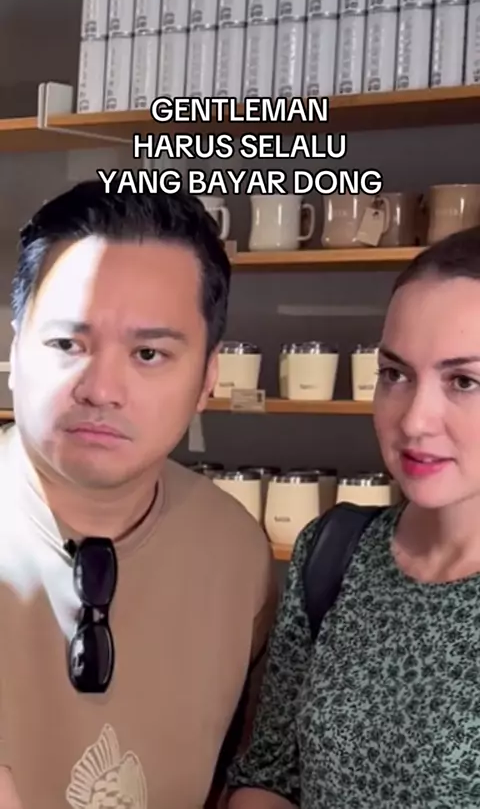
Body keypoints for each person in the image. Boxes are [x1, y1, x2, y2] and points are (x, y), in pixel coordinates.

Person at [0, 180, 277, 809]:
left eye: (149, 353)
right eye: (67, 345)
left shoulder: (234, 548)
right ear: (14, 349)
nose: (101, 389)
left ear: (207, 377)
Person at [226, 225, 480, 808]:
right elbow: (272, 773)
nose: (414, 420)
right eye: (395, 374)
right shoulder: (335, 552)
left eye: (464, 381)